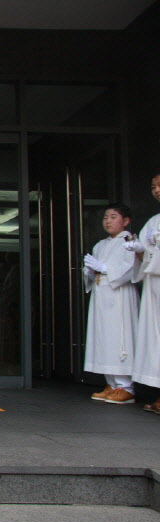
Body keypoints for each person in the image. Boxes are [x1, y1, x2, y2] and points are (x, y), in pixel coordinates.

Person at [83, 203, 139, 404]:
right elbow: (92, 273)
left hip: (119, 295)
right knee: (103, 338)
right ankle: (112, 384)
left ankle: (125, 386)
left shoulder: (129, 242)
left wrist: (105, 269)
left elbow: (131, 269)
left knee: (119, 337)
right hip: (102, 295)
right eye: (105, 217)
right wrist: (90, 271)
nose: (108, 221)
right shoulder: (100, 245)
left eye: (113, 217)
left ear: (125, 221)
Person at [124, 173, 160, 413]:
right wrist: (138, 250)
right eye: (153, 186)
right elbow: (146, 252)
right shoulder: (154, 221)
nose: (156, 190)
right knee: (155, 339)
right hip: (154, 287)